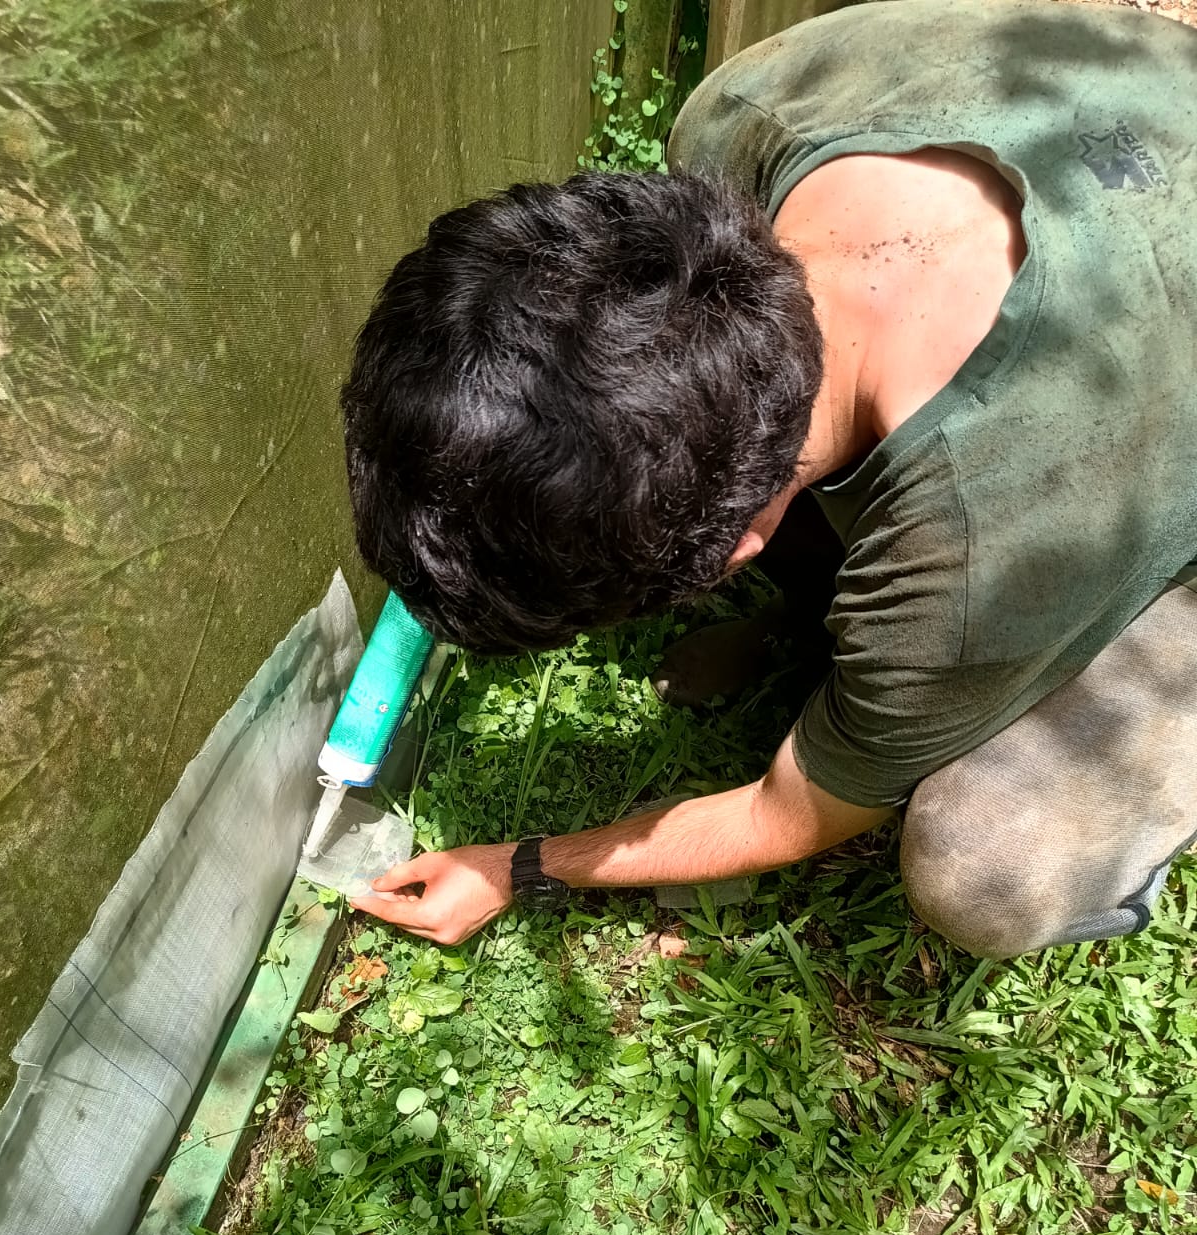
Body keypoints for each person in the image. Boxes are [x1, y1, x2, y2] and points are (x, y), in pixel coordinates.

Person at [340, 0, 1197, 959]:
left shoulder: (979, 550)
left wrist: (520, 866)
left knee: (983, 866)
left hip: (1136, 404)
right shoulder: (744, 116)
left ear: (740, 546)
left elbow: (793, 813)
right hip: (1151, 108)